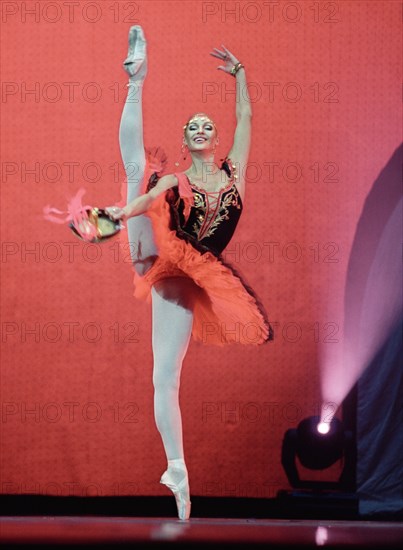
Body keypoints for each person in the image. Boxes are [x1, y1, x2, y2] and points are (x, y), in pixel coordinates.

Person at [105, 25, 274, 521]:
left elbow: (245, 118)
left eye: (207, 126)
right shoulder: (177, 178)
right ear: (185, 138)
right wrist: (121, 213)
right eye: (192, 127)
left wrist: (240, 75)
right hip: (155, 251)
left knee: (165, 376)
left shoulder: (234, 175)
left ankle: (176, 468)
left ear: (215, 138)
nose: (200, 131)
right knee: (137, 171)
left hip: (188, 274)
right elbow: (150, 198)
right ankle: (138, 76)